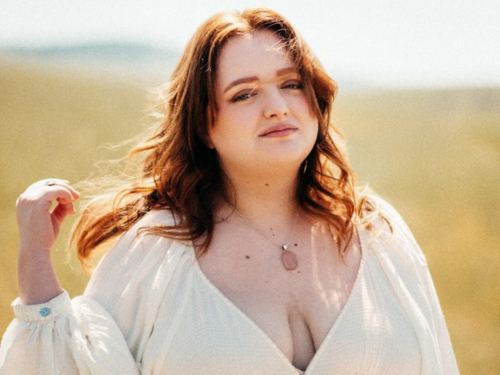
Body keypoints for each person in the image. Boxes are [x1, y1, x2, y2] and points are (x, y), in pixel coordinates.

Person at [0, 8, 459, 375]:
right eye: (244, 94)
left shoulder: (379, 234)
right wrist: (35, 262)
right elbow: (76, 367)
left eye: (291, 84)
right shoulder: (156, 252)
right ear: (203, 125)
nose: (277, 107)